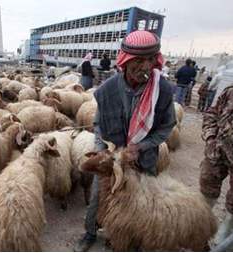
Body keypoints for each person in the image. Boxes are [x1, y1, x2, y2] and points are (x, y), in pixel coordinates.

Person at [74, 30, 176, 252]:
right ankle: (90, 232)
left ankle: (129, 241)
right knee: (98, 196)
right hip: (112, 159)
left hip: (143, 159)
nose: (145, 67)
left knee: (139, 203)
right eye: (138, 61)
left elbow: (167, 127)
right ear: (126, 61)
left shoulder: (163, 91)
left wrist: (141, 146)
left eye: (150, 59)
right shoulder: (107, 90)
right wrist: (103, 151)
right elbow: (99, 124)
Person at [199, 81, 233, 248]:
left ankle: (225, 233)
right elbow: (212, 113)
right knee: (207, 187)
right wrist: (210, 137)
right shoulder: (232, 90)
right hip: (217, 151)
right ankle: (201, 227)